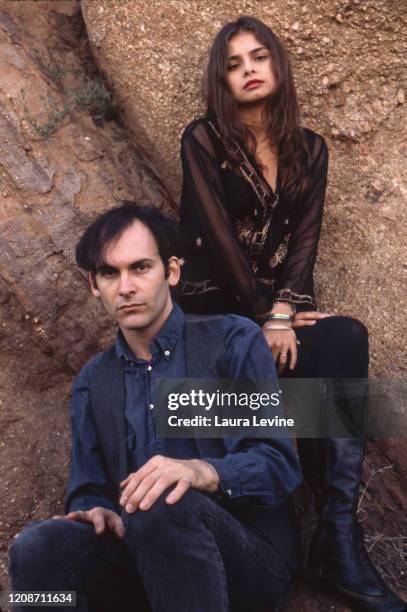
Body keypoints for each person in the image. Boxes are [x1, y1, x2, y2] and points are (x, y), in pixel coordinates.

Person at [177, 15, 406, 612]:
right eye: (234, 63)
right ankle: (296, 535)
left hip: (271, 316)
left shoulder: (312, 150)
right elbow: (220, 244)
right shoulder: (202, 142)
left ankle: (337, 540)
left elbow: (305, 245)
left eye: (259, 57)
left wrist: (283, 309)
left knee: (345, 340)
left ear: (278, 66)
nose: (249, 70)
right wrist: (263, 318)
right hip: (213, 319)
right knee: (280, 360)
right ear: (221, 80)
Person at [9, 202, 303, 612]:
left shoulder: (231, 341)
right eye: (110, 273)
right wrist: (93, 511)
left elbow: (277, 463)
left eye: (140, 268)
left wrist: (200, 471)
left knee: (165, 503)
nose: (125, 286)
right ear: (94, 284)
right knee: (36, 547)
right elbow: (89, 488)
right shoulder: (93, 383)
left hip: (247, 560)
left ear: (173, 271)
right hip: (145, 569)